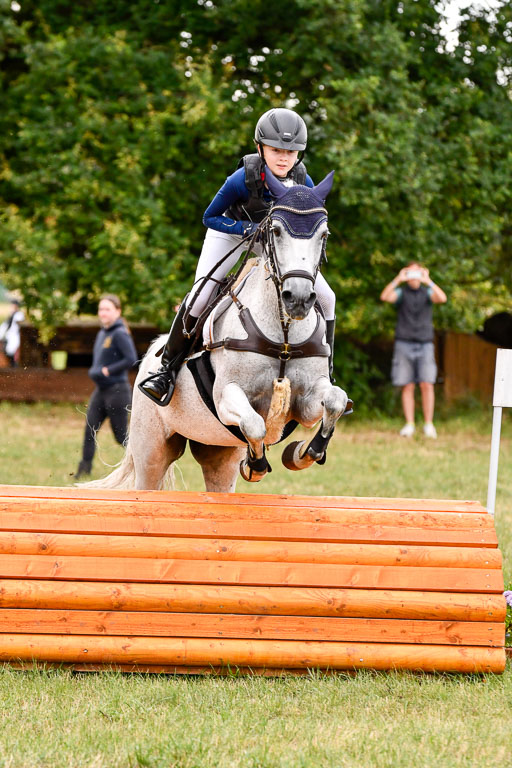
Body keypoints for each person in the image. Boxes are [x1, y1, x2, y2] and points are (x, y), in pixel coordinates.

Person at [140, 107, 337, 405]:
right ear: (260, 148)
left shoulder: (303, 182)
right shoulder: (241, 178)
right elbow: (210, 216)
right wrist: (247, 228)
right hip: (231, 232)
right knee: (201, 294)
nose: (284, 157)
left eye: (291, 152)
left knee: (327, 297)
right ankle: (166, 370)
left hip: (274, 241)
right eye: (276, 150)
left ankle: (328, 372)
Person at [380, 262, 447, 438]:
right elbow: (385, 297)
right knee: (407, 385)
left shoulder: (428, 292)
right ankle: (409, 424)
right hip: (404, 343)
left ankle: (428, 424)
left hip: (425, 343)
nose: (414, 277)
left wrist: (428, 280)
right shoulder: (401, 293)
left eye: (417, 273)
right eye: (411, 273)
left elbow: (442, 298)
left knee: (427, 384)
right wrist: (398, 278)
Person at [74, 294, 138, 479]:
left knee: (121, 437)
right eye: (101, 309)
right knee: (90, 430)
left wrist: (108, 371)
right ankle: (83, 471)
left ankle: (141, 465)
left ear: (118, 311)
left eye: (107, 309)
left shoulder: (119, 333)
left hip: (117, 391)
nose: (103, 313)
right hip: (100, 391)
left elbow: (131, 358)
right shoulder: (103, 332)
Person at [0, 298, 25, 367]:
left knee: (12, 349)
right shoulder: (12, 315)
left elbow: (17, 326)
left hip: (16, 336)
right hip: (10, 336)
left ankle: (14, 364)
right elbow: (5, 326)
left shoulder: (19, 315)